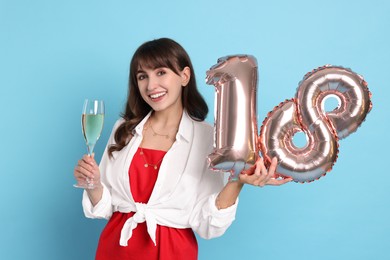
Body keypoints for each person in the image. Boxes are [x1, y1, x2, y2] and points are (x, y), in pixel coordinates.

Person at [74, 37, 292, 260]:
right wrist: (93, 183)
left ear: (184, 76)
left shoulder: (209, 137)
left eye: (161, 72)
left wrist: (237, 182)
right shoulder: (124, 130)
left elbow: (208, 224)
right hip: (116, 249)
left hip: (172, 252)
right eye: (142, 76)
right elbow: (104, 207)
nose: (151, 86)